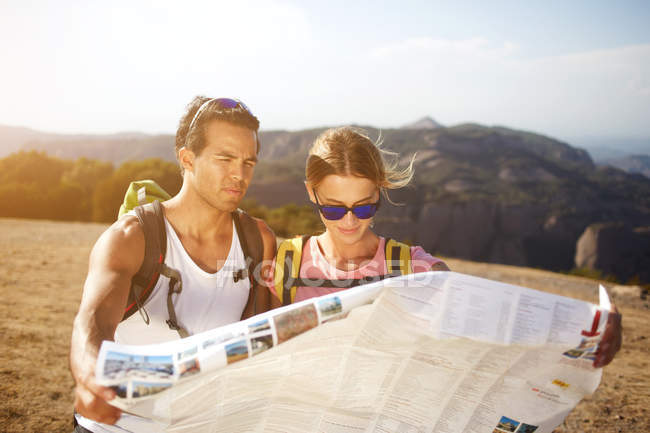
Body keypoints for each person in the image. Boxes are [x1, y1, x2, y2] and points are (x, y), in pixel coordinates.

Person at [268, 126, 621, 368]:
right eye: (333, 207)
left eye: (363, 207)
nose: (349, 221)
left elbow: (495, 317)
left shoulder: (415, 268)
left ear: (379, 192)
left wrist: (594, 324)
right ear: (310, 192)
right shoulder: (284, 264)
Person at [69, 96, 278, 433]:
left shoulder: (259, 238)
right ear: (187, 159)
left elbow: (262, 338)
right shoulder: (132, 237)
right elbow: (93, 321)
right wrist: (91, 375)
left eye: (249, 162)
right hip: (120, 426)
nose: (239, 174)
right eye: (224, 158)